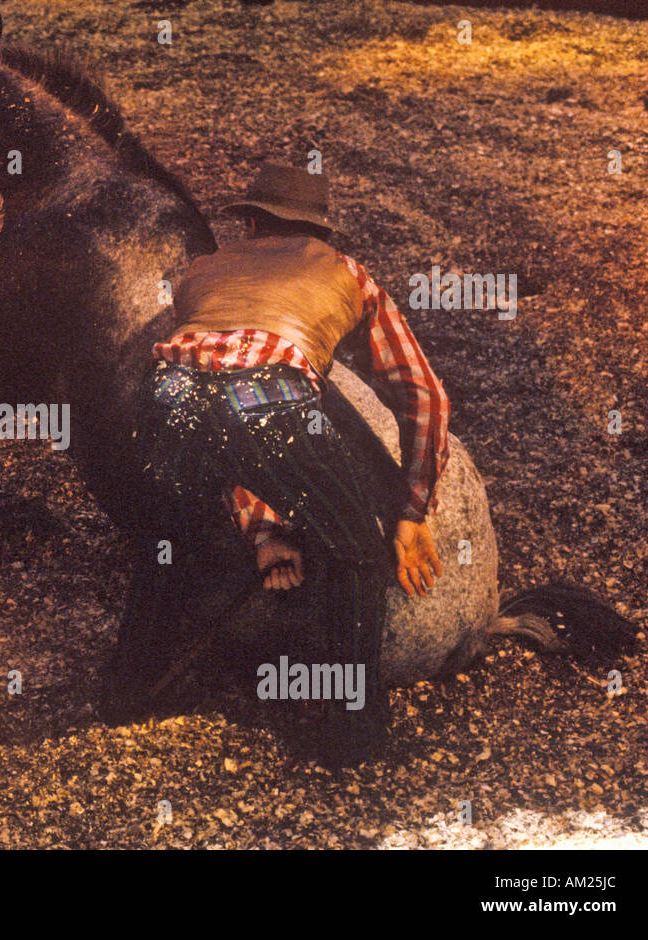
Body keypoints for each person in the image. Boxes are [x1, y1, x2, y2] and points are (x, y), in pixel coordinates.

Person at [124, 163, 450, 766]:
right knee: (356, 547)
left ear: (249, 223)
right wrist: (411, 508)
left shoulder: (202, 272)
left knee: (162, 540)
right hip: (270, 398)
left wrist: (263, 528)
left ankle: (123, 692)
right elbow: (424, 394)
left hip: (161, 398)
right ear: (321, 232)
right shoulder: (347, 274)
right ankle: (351, 736)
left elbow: (209, 388)